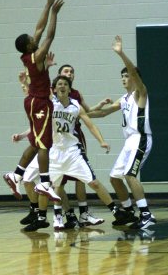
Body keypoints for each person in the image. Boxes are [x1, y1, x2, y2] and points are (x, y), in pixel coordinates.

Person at [18, 75, 122, 231]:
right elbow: (34, 96)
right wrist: (26, 83)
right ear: (54, 89)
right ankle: (41, 217)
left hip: (72, 151)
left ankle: (116, 211)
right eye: (59, 84)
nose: (62, 86)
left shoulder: (76, 106)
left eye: (65, 84)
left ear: (69, 88)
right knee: (45, 187)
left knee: (93, 182)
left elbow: (91, 125)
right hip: (53, 152)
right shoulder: (49, 103)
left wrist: (102, 141)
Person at [3, 0, 64, 217]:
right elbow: (49, 35)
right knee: (45, 145)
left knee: (36, 142)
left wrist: (47, 5)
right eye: (31, 39)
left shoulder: (28, 55)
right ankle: (45, 182)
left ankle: (17, 175)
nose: (34, 37)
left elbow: (39, 29)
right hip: (40, 104)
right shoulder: (37, 57)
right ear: (29, 46)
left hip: (33, 101)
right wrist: (55, 14)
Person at [96, 35, 155, 230]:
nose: (124, 78)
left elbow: (133, 72)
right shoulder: (124, 98)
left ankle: (146, 215)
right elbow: (103, 114)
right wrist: (82, 111)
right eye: (121, 76)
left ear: (134, 78)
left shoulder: (141, 92)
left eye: (126, 75)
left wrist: (121, 53)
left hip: (141, 138)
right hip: (129, 142)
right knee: (114, 178)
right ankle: (129, 211)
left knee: (130, 175)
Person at [53, 64, 110, 229]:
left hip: (75, 137)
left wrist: (99, 106)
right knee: (57, 181)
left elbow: (87, 112)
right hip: (56, 142)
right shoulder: (51, 96)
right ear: (58, 78)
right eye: (66, 71)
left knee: (81, 176)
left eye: (71, 72)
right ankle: (65, 213)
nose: (69, 74)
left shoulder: (75, 95)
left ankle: (83, 213)